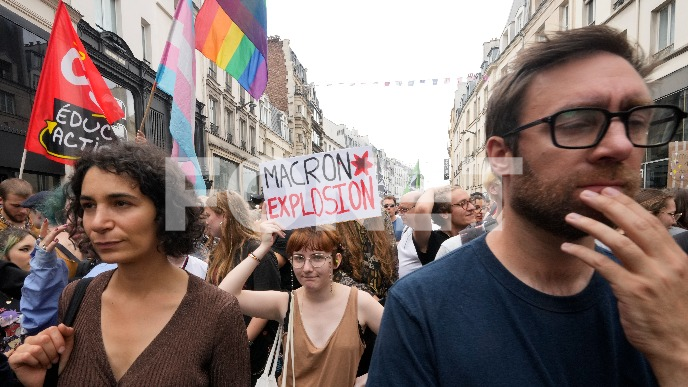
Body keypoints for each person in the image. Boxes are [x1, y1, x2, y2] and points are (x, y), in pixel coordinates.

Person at [368, 25, 688, 385]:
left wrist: (676, 353)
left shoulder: (668, 290)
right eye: (578, 122)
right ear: (503, 157)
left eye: (637, 122)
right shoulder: (423, 309)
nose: (621, 145)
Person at [8, 142, 249, 386]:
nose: (98, 222)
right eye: (89, 205)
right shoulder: (76, 297)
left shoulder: (217, 312)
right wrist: (43, 383)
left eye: (121, 203)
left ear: (166, 211)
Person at [219, 223, 384, 386]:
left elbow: (404, 342)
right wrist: (263, 248)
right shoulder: (285, 303)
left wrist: (368, 378)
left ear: (336, 260)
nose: (306, 268)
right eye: (298, 258)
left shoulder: (360, 303)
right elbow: (225, 294)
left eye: (317, 257)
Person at [205, 190, 281, 386]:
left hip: (252, 354)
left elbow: (266, 310)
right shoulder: (219, 251)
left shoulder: (258, 250)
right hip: (221, 346)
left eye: (208, 216)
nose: (204, 222)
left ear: (224, 216)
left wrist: (242, 343)